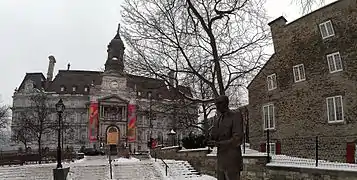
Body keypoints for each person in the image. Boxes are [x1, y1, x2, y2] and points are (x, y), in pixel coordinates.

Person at [208, 95, 244, 180]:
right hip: (221, 161)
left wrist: (219, 144)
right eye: (216, 104)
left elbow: (237, 139)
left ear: (226, 103)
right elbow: (215, 136)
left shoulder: (235, 116)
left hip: (232, 160)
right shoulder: (218, 120)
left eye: (219, 103)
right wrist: (209, 140)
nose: (217, 106)